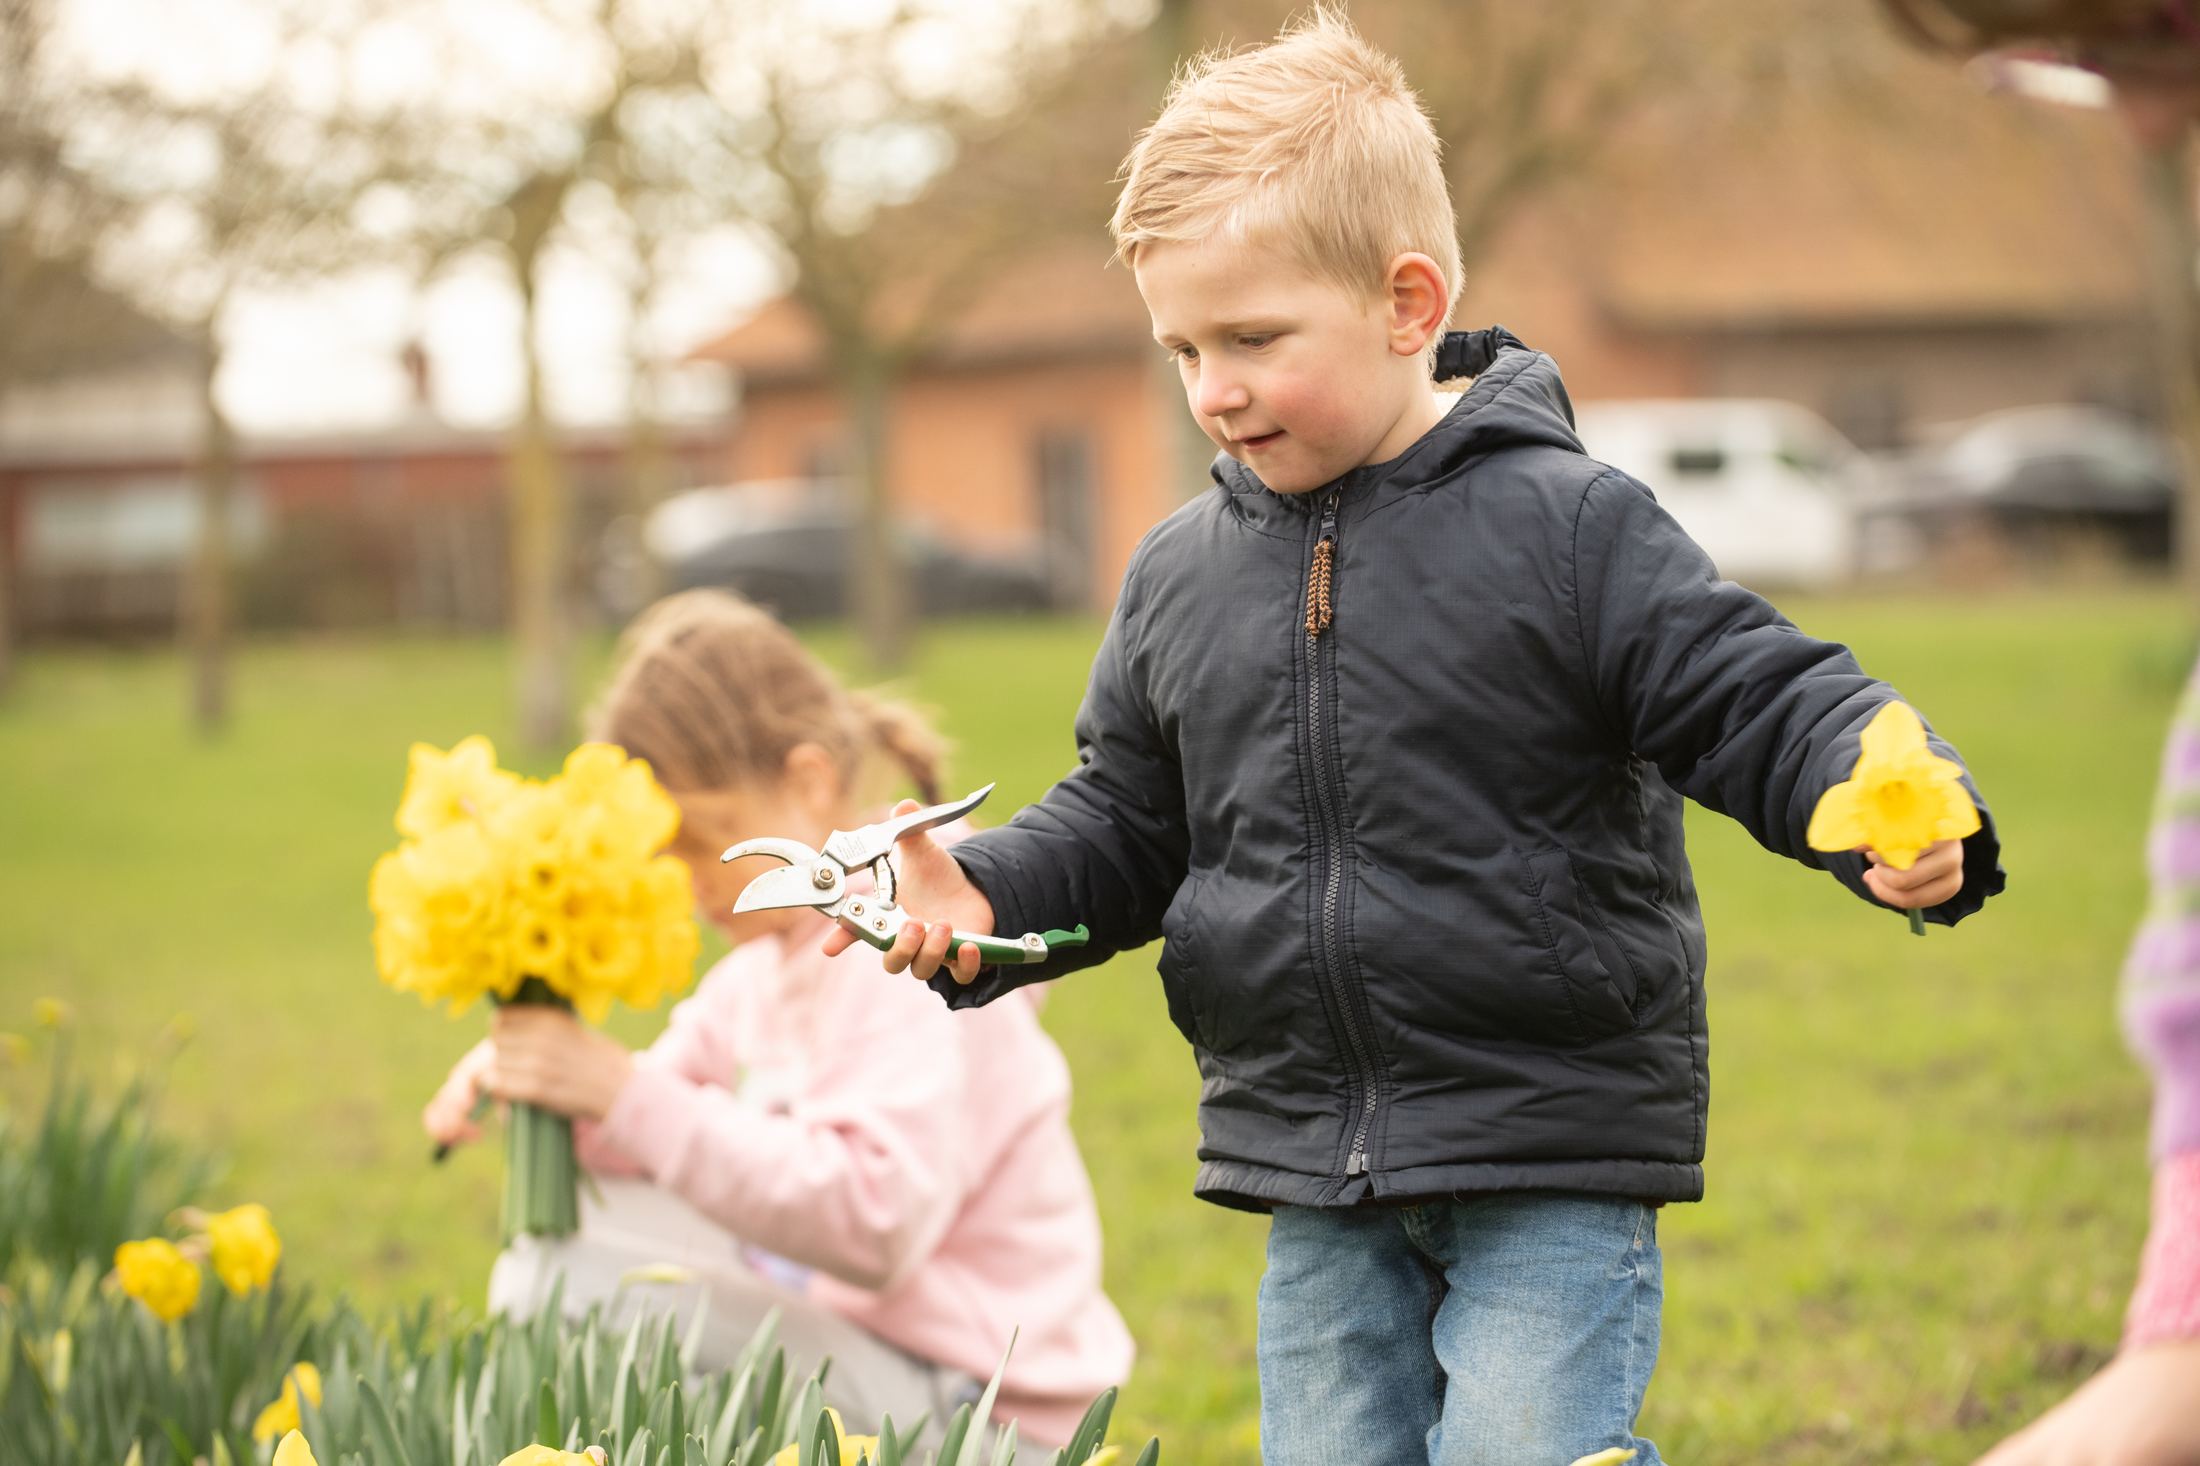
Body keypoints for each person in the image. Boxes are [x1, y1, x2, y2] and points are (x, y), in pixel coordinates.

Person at [831, 11, 2005, 1464]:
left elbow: (1755, 691)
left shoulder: (1568, 528)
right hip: (1313, 1166)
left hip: (1547, 1145)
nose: (1215, 387)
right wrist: (990, 893)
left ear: (1406, 301)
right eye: (1184, 346)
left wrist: (1880, 792)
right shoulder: (1178, 576)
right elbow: (1132, 823)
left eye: (1255, 337)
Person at [422, 589, 1132, 1450]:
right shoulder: (757, 977)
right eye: (662, 851)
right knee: (574, 1232)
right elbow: (650, 1127)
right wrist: (547, 1085)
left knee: (566, 1284)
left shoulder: (899, 953)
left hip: (982, 1415)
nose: (683, 880)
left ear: (807, 782)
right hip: (880, 1361)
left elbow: (878, 1224)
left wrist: (617, 1089)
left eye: (701, 837)